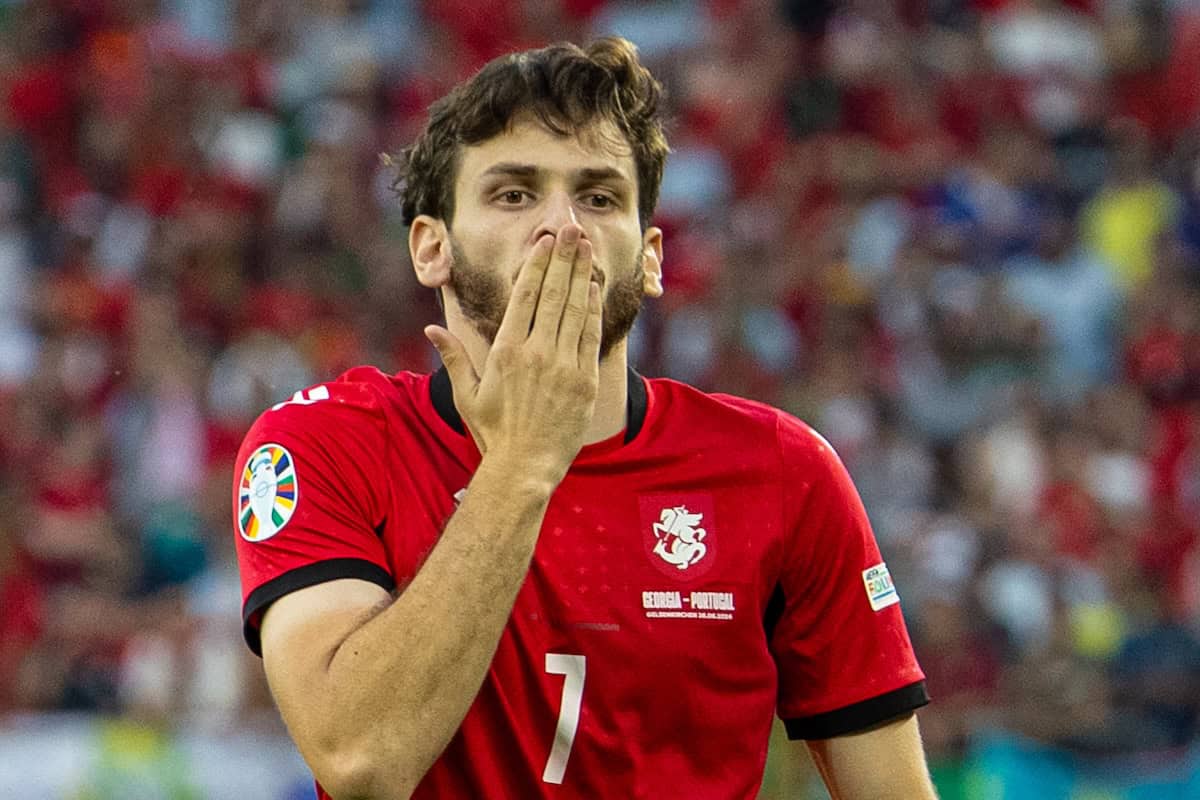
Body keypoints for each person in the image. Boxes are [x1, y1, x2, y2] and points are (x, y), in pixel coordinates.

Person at [232, 37, 937, 800]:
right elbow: (362, 760)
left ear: (651, 257)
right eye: (514, 194)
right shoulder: (323, 445)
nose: (563, 227)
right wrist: (523, 464)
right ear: (431, 247)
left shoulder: (781, 469)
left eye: (599, 197)